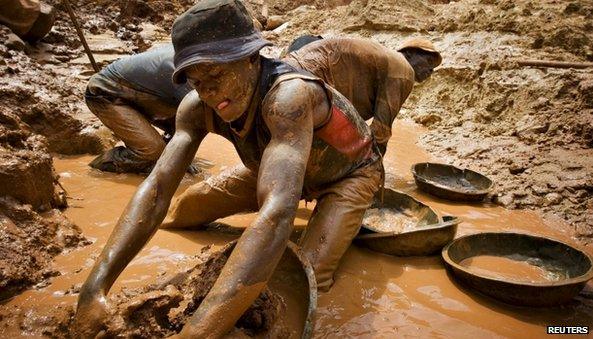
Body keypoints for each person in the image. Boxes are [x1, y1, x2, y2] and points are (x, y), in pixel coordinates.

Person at [74, 0, 383, 337]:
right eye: (195, 81)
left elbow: (277, 212)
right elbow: (158, 188)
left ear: (252, 58)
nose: (208, 92)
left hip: (347, 176)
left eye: (216, 74)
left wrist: (197, 331)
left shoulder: (288, 98)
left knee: (303, 277)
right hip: (277, 168)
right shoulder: (195, 108)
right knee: (184, 211)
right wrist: (94, 289)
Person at [284, 36, 442, 155]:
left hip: (291, 71)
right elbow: (380, 132)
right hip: (306, 79)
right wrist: (372, 172)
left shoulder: (384, 59)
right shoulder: (403, 70)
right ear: (409, 54)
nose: (430, 71)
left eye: (433, 68)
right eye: (428, 61)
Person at [85, 44, 193, 173]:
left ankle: (162, 155)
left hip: (147, 94)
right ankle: (97, 169)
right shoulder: (187, 69)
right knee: (152, 150)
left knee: (188, 131)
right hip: (106, 92)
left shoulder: (195, 53)